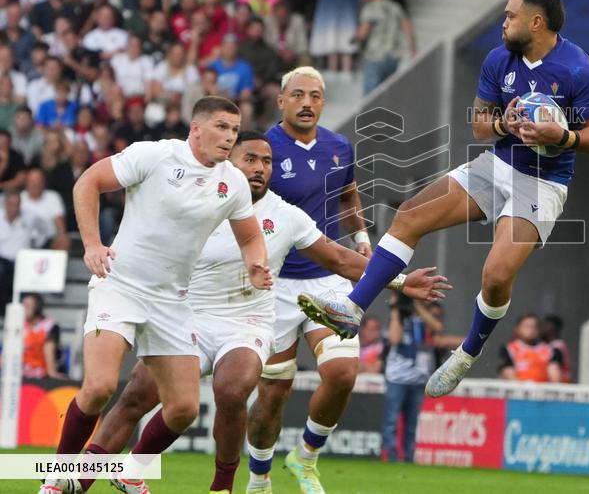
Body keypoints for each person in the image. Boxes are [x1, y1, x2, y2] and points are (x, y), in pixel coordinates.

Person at [86, 131, 448, 494]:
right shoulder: (198, 200)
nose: (260, 168)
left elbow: (338, 258)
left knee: (232, 390)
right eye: (250, 159)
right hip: (187, 315)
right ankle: (76, 478)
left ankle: (222, 487)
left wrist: (399, 282)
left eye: (267, 161)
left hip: (246, 322)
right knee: (137, 395)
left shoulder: (285, 215)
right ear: (229, 162)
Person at [299, 0, 589, 398]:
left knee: (496, 276)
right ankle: (353, 308)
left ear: (536, 22)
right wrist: (505, 124)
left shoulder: (577, 69)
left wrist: (562, 136)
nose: (503, 23)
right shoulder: (499, 59)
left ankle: (466, 353)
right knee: (409, 214)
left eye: (511, 16)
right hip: (497, 165)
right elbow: (481, 125)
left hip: (543, 182)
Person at [39, 96, 271, 494]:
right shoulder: (155, 156)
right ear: (195, 128)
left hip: (173, 301)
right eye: (221, 127)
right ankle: (54, 481)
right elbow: (88, 182)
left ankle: (128, 470)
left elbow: (250, 235)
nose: (229, 136)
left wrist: (255, 263)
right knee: (99, 387)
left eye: (234, 129)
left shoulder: (231, 181)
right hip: (121, 285)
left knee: (182, 409)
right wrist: (93, 245)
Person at [246, 67, 381, 494]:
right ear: (282, 100)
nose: (308, 103)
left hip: (326, 279)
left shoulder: (340, 147)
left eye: (316, 96)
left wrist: (361, 237)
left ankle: (305, 457)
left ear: (324, 103)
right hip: (274, 285)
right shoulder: (262, 150)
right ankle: (258, 477)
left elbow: (347, 193)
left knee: (342, 373)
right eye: (299, 95)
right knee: (273, 394)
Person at [382, 294, 442, 462]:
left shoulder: (423, 318)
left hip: (418, 378)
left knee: (412, 423)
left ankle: (409, 457)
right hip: (397, 378)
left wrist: (416, 306)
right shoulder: (398, 317)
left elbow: (436, 326)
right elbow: (394, 339)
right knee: (392, 420)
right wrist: (396, 310)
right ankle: (391, 456)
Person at [356, 0, 416, 95]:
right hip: (393, 57)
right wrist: (413, 49)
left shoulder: (369, 8)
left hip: (374, 56)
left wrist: (356, 38)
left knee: (371, 96)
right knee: (386, 95)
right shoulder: (395, 7)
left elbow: (363, 33)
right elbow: (408, 28)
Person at [498, 313, 562, 383]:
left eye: (534, 326)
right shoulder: (509, 349)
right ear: (517, 329)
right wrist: (525, 389)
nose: (531, 330)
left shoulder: (551, 351)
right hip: (518, 391)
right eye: (527, 326)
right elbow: (508, 374)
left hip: (542, 391)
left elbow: (555, 377)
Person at [23, 292, 68, 379]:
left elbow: (49, 349)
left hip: (44, 375)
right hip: (23, 374)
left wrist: (52, 373)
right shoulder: (19, 324)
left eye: (27, 306)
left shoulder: (50, 325)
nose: (24, 309)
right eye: (23, 305)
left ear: (37, 307)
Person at [541, 314, 571, 382]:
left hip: (560, 384)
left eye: (544, 326)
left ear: (551, 328)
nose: (541, 329)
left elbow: (554, 369)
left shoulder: (557, 347)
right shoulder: (551, 345)